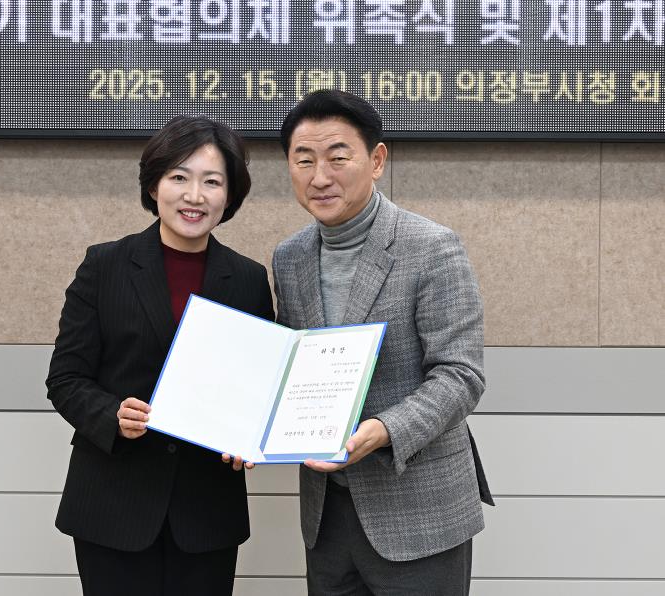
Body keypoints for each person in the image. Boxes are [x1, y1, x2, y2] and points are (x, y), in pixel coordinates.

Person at [272, 90, 494, 595]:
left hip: (420, 512)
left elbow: (461, 375)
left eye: (338, 158)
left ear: (376, 160)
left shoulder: (432, 246)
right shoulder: (289, 257)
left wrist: (381, 430)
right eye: (303, 160)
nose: (319, 177)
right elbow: (290, 365)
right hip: (327, 517)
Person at [46, 116, 274, 596]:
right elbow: (65, 378)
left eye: (212, 182)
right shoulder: (104, 265)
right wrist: (111, 414)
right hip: (114, 505)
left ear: (230, 195)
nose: (195, 195)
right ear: (154, 186)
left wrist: (250, 434)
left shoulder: (249, 280)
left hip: (207, 512)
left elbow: (258, 384)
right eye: (179, 177)